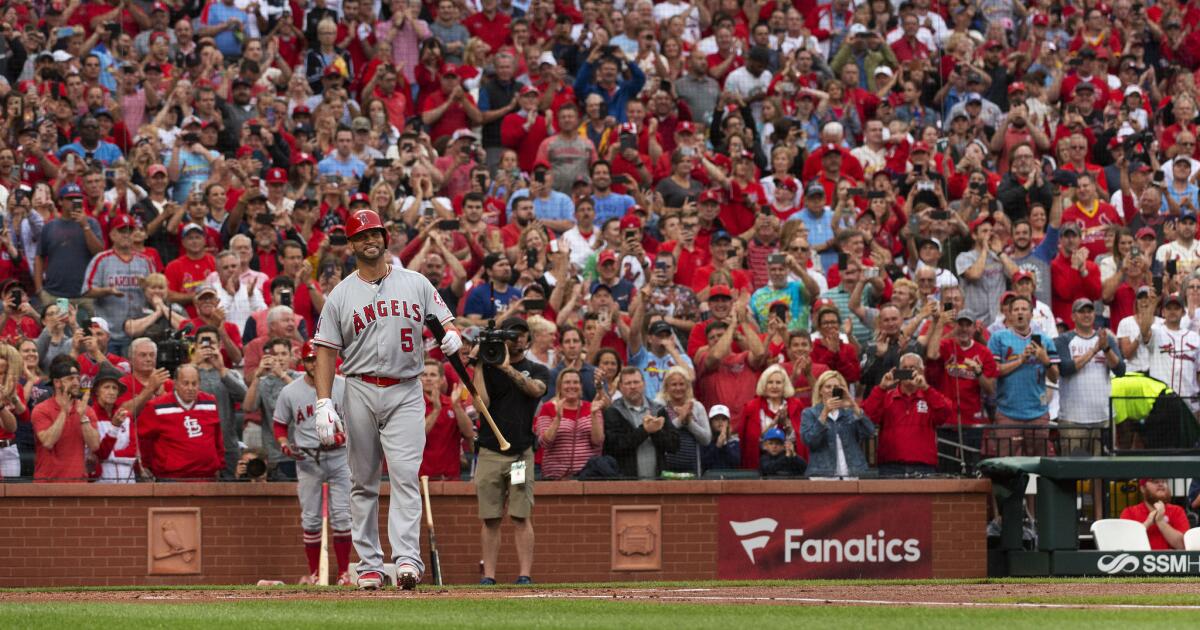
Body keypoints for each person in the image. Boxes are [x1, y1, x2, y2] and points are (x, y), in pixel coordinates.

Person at [312, 209, 459, 591]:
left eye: (374, 233)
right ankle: (370, 566)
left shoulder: (416, 282)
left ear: (386, 236)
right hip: (358, 386)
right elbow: (326, 350)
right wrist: (324, 402)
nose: (369, 240)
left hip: (406, 388)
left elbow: (445, 321)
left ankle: (407, 560)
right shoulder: (341, 294)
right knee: (361, 481)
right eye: (361, 236)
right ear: (352, 244)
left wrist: (453, 335)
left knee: (406, 476)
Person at [468, 316, 550, 586]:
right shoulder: (488, 370)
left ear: (529, 339)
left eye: (522, 334)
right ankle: (488, 576)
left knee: (519, 514)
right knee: (490, 517)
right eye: (512, 334)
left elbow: (535, 390)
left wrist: (507, 368)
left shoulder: (536, 369)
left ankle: (524, 574)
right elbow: (481, 405)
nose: (517, 339)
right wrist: (480, 364)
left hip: (519, 455)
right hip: (491, 452)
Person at [273, 342, 353, 586]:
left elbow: (359, 418)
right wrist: (285, 444)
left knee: (342, 516)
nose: (312, 364)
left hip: (339, 456)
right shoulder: (291, 391)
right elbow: (279, 425)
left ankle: (343, 573)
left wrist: (346, 435)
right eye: (309, 359)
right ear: (302, 362)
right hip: (307, 459)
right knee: (310, 519)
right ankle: (316, 573)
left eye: (316, 359)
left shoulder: (343, 385)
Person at [988, 296, 1060, 456]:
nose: (1020, 313)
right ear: (1009, 314)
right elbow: (994, 371)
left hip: (1037, 414)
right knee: (1007, 466)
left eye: (1024, 309)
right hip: (1008, 413)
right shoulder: (998, 338)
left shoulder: (1045, 340)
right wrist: (1021, 360)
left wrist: (1044, 359)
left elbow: (1055, 377)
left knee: (1038, 465)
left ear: (1031, 314)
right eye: (1016, 309)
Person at [863, 353, 954, 476]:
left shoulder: (930, 396)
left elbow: (945, 413)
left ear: (921, 370)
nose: (908, 371)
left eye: (913, 368)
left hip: (924, 466)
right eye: (904, 368)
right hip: (890, 466)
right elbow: (867, 416)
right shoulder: (885, 396)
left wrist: (925, 388)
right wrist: (881, 388)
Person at [136, 364, 224, 481]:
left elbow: (217, 437)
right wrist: (147, 465)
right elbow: (141, 437)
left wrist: (219, 464)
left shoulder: (210, 402)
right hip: (171, 478)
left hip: (207, 476)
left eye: (194, 383)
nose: (190, 388)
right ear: (175, 384)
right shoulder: (157, 406)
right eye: (186, 383)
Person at [31, 356, 99, 482]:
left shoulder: (86, 410)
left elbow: (94, 445)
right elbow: (48, 441)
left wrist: (82, 417)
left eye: (78, 379)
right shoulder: (41, 409)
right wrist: (64, 412)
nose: (76, 383)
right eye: (70, 379)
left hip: (78, 484)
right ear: (57, 382)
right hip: (47, 484)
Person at [603, 366, 679, 479]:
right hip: (625, 482)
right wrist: (644, 430)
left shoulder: (658, 409)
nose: (633, 386)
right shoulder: (613, 411)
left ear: (643, 384)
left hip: (658, 481)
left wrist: (656, 432)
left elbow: (674, 445)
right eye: (628, 383)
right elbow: (615, 446)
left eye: (636, 382)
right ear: (620, 387)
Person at [800, 370, 875, 477]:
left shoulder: (849, 412)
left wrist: (854, 406)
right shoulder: (809, 413)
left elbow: (870, 432)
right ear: (820, 390)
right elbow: (810, 441)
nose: (832, 390)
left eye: (836, 386)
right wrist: (824, 413)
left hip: (853, 473)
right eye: (828, 386)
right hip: (822, 474)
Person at [534, 368, 605, 480]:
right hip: (556, 477)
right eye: (567, 382)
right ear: (559, 386)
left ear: (581, 386)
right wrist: (557, 419)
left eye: (576, 382)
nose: (571, 386)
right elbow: (544, 443)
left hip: (588, 475)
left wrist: (594, 415)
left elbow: (598, 442)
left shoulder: (592, 407)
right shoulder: (548, 408)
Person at [738, 364, 808, 472]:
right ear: (764, 385)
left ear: (784, 385)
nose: (774, 386)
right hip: (761, 464)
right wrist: (772, 424)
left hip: (790, 466)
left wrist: (786, 423)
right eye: (770, 382)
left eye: (778, 382)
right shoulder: (752, 407)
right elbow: (749, 441)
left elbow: (802, 439)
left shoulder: (796, 405)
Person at [418, 357, 473, 481]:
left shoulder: (452, 403)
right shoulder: (412, 406)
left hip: (450, 478)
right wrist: (437, 409)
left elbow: (469, 434)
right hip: (421, 480)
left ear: (442, 379)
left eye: (433, 375)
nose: (428, 378)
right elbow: (417, 436)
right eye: (424, 375)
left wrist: (457, 407)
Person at [657, 365, 711, 476]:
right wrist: (681, 419)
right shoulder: (659, 407)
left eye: (681, 384)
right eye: (674, 384)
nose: (678, 388)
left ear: (687, 386)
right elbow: (660, 438)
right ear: (666, 387)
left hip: (692, 469)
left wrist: (690, 423)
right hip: (666, 468)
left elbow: (706, 439)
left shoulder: (697, 407)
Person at [1119, 478, 1189, 550]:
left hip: (1171, 560)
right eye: (1155, 481)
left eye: (1164, 481)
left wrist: (1160, 521)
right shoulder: (1129, 512)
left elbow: (1183, 545)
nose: (1161, 484)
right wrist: (1147, 523)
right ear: (1142, 488)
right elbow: (1124, 544)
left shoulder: (1177, 511)